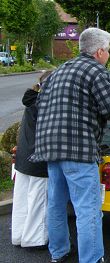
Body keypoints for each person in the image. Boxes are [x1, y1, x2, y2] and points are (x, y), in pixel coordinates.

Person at [31, 27, 110, 263]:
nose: (109, 55)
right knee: (88, 208)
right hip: (78, 150)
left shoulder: (58, 71)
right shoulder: (95, 71)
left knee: (56, 205)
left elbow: (39, 105)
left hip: (50, 148)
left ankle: (58, 252)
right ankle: (91, 259)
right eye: (108, 51)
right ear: (99, 51)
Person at [11, 71, 52, 248]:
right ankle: (35, 239)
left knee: (21, 201)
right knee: (38, 202)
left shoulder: (32, 101)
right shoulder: (47, 105)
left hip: (23, 159)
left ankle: (18, 235)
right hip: (38, 161)